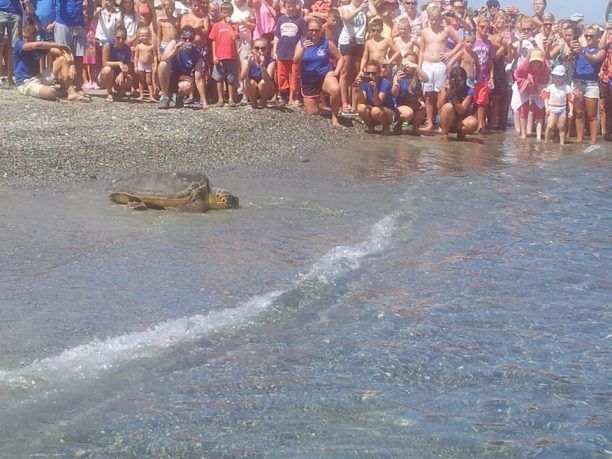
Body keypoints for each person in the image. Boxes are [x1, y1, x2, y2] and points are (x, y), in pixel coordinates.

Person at [418, 2, 462, 130]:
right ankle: (430, 122)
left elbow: (460, 43)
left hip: (440, 64)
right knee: (428, 95)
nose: (433, 22)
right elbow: (421, 51)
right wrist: (419, 67)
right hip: (427, 63)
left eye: (435, 19)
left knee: (441, 94)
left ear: (440, 19)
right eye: (431, 19)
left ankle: (441, 122)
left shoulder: (446, 29)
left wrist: (449, 53)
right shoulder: (424, 31)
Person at [294, 18, 343, 126]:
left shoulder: (327, 43)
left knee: (335, 89)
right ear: (307, 30)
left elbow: (340, 58)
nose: (314, 33)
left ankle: (335, 117)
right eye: (311, 30)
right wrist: (303, 48)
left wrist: (336, 72)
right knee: (312, 112)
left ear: (321, 30)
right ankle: (323, 110)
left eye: (317, 30)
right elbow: (295, 60)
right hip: (309, 80)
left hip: (324, 75)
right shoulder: (302, 42)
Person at [13, 23, 79, 100]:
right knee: (50, 93)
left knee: (62, 59)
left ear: (34, 35)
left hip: (39, 78)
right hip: (26, 83)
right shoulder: (19, 44)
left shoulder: (39, 46)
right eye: (24, 37)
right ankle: (57, 91)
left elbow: (64, 51)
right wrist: (57, 45)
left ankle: (71, 92)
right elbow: (37, 45)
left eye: (28, 37)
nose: (26, 40)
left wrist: (72, 66)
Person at [157, 25, 207, 108]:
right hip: (168, 77)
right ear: (181, 38)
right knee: (162, 65)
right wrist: (174, 52)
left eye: (190, 39)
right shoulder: (173, 43)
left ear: (194, 39)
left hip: (182, 79)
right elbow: (163, 58)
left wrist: (204, 101)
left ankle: (179, 97)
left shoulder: (197, 55)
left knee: (187, 86)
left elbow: (199, 79)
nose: (187, 41)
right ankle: (165, 97)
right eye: (185, 38)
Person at [338, 0, 371, 115]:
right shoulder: (345, 8)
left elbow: (374, 13)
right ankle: (344, 103)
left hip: (359, 43)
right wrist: (359, 8)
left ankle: (354, 104)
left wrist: (368, 3)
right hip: (347, 42)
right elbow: (347, 18)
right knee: (345, 72)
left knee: (356, 73)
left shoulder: (364, 9)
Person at [573, 26, 605, 145]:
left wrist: (582, 51)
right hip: (578, 82)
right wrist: (573, 51)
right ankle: (579, 140)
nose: (588, 38)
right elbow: (569, 58)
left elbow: (594, 60)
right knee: (579, 113)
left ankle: (593, 142)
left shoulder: (600, 51)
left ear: (597, 38)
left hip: (591, 83)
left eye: (591, 36)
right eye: (586, 36)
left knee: (592, 115)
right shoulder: (580, 49)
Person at [53, 0, 91, 100]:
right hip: (63, 22)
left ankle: (78, 86)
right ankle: (65, 87)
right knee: (63, 55)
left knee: (79, 57)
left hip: (79, 23)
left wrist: (89, 21)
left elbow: (91, 4)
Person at [272, 0, 306, 106]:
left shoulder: (300, 20)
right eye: (288, 6)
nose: (290, 8)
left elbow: (303, 38)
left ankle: (292, 97)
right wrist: (274, 50)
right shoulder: (280, 19)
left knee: (294, 76)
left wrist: (301, 52)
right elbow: (277, 36)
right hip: (282, 52)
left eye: (292, 6)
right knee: (282, 75)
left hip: (294, 54)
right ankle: (283, 96)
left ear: (296, 6)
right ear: (285, 7)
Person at [513, 48, 550, 140]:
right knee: (523, 108)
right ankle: (523, 134)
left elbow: (545, 80)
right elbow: (517, 77)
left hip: (540, 85)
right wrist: (527, 83)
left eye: (538, 62)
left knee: (540, 108)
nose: (535, 64)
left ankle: (538, 136)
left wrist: (537, 88)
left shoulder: (546, 68)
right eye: (533, 62)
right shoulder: (522, 67)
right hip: (524, 85)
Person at [437, 66, 478, 141]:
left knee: (473, 123)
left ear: (464, 80)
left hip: (461, 120)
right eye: (455, 80)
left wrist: (453, 96)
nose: (458, 83)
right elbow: (439, 106)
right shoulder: (447, 87)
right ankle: (444, 135)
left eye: (460, 80)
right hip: (446, 118)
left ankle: (461, 134)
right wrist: (445, 90)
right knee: (448, 107)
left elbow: (461, 111)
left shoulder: (469, 90)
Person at [356, 60, 395, 134]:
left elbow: (378, 103)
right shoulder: (365, 82)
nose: (371, 75)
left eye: (373, 73)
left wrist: (375, 89)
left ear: (379, 73)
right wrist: (359, 88)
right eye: (368, 73)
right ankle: (370, 127)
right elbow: (362, 101)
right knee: (361, 107)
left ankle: (386, 126)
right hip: (374, 109)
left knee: (375, 110)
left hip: (387, 111)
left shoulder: (385, 82)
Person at [391, 52, 427, 134]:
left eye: (412, 62)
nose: (409, 65)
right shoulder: (398, 75)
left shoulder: (416, 76)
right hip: (400, 104)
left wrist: (417, 67)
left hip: (413, 103)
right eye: (407, 62)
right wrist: (397, 83)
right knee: (408, 113)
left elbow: (426, 79)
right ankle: (398, 125)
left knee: (422, 106)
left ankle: (415, 130)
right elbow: (394, 94)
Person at [98, 25, 133, 101]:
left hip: (118, 74)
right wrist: (119, 63)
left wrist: (122, 74)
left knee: (128, 80)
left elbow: (127, 66)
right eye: (118, 38)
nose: (120, 40)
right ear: (114, 37)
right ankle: (109, 93)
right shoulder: (108, 46)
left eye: (123, 38)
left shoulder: (127, 49)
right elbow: (105, 63)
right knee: (107, 70)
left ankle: (119, 90)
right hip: (106, 74)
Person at [472, 16, 495, 132]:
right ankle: (469, 123)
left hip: (484, 77)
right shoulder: (472, 40)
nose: (485, 29)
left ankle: (480, 125)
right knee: (471, 99)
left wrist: (491, 77)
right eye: (482, 27)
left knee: (482, 102)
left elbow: (490, 61)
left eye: (487, 27)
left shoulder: (489, 43)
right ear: (477, 27)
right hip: (472, 75)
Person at [541, 64, 573, 144]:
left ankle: (562, 143)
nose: (557, 79)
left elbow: (570, 100)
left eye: (560, 77)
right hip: (552, 109)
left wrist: (571, 111)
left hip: (562, 110)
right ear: (552, 77)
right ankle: (546, 141)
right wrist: (546, 107)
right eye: (555, 77)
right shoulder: (550, 87)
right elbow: (546, 98)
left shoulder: (567, 87)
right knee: (549, 126)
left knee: (561, 127)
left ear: (564, 77)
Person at [241, 36, 276, 108]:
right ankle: (254, 103)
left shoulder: (270, 60)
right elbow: (242, 77)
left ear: (267, 49)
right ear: (252, 49)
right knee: (249, 81)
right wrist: (248, 63)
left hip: (266, 89)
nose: (260, 51)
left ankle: (263, 102)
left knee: (263, 82)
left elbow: (268, 80)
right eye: (257, 48)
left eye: (263, 49)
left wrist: (262, 66)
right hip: (251, 88)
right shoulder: (247, 59)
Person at [0, 0, 24, 87]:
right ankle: (1, 77)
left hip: (16, 11)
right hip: (1, 9)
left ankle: (11, 77)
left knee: (15, 46)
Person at [134, 24, 158, 101]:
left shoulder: (151, 46)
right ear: (139, 36)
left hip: (148, 65)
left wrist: (155, 66)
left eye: (146, 35)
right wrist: (135, 66)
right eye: (142, 36)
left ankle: (151, 96)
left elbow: (155, 56)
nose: (144, 37)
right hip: (140, 64)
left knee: (149, 81)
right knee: (141, 80)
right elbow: (136, 57)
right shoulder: (138, 46)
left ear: (150, 36)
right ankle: (141, 95)